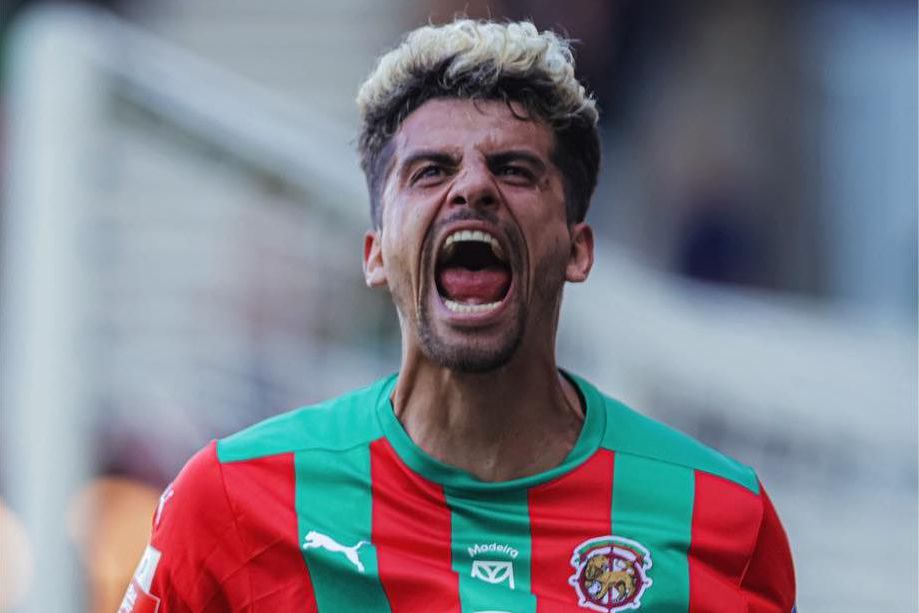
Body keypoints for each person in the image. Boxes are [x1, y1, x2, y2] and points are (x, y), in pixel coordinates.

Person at [119, 19, 796, 613]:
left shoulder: (721, 518)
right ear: (376, 255)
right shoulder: (232, 502)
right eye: (430, 171)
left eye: (515, 169)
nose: (473, 186)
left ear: (578, 250)